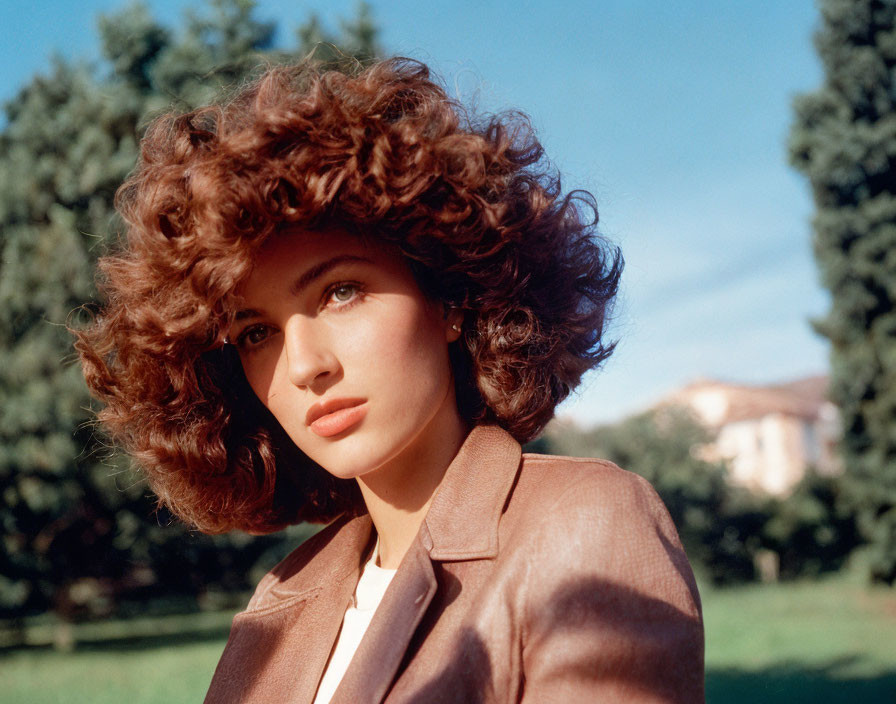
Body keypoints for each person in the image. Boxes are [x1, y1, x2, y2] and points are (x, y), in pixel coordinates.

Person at [76, 58, 704, 703]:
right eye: (255, 333)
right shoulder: (284, 594)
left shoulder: (584, 522)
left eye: (341, 292)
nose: (304, 365)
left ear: (450, 299)